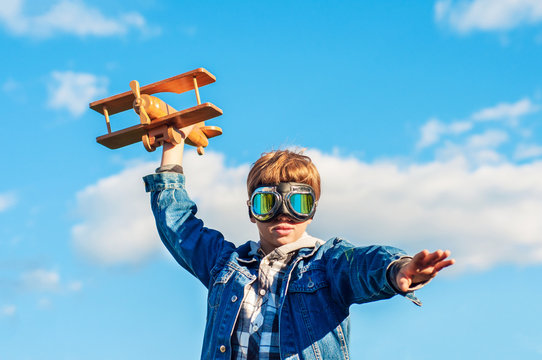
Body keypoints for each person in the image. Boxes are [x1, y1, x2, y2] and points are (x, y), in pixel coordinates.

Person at [143, 129, 454, 360]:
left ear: (312, 210)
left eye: (297, 202)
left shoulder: (326, 264)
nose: (283, 214)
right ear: (252, 211)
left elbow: (361, 264)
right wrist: (172, 150)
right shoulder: (225, 267)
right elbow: (179, 224)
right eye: (268, 202)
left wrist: (397, 268)